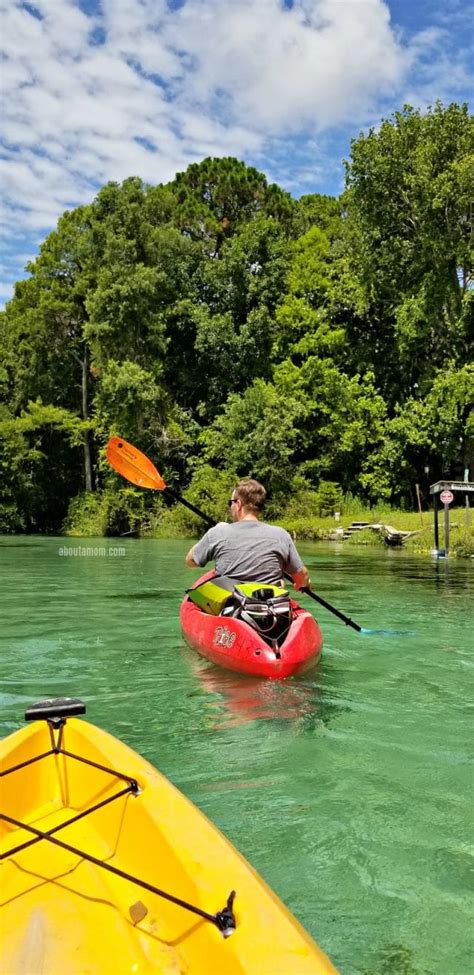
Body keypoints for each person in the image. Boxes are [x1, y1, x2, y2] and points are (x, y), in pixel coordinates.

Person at [185, 478, 311, 590]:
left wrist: (214, 533)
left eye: (231, 503)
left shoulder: (218, 532)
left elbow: (191, 561)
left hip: (231, 609)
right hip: (270, 609)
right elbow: (301, 576)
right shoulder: (281, 535)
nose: (230, 507)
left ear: (238, 504)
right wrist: (302, 584)